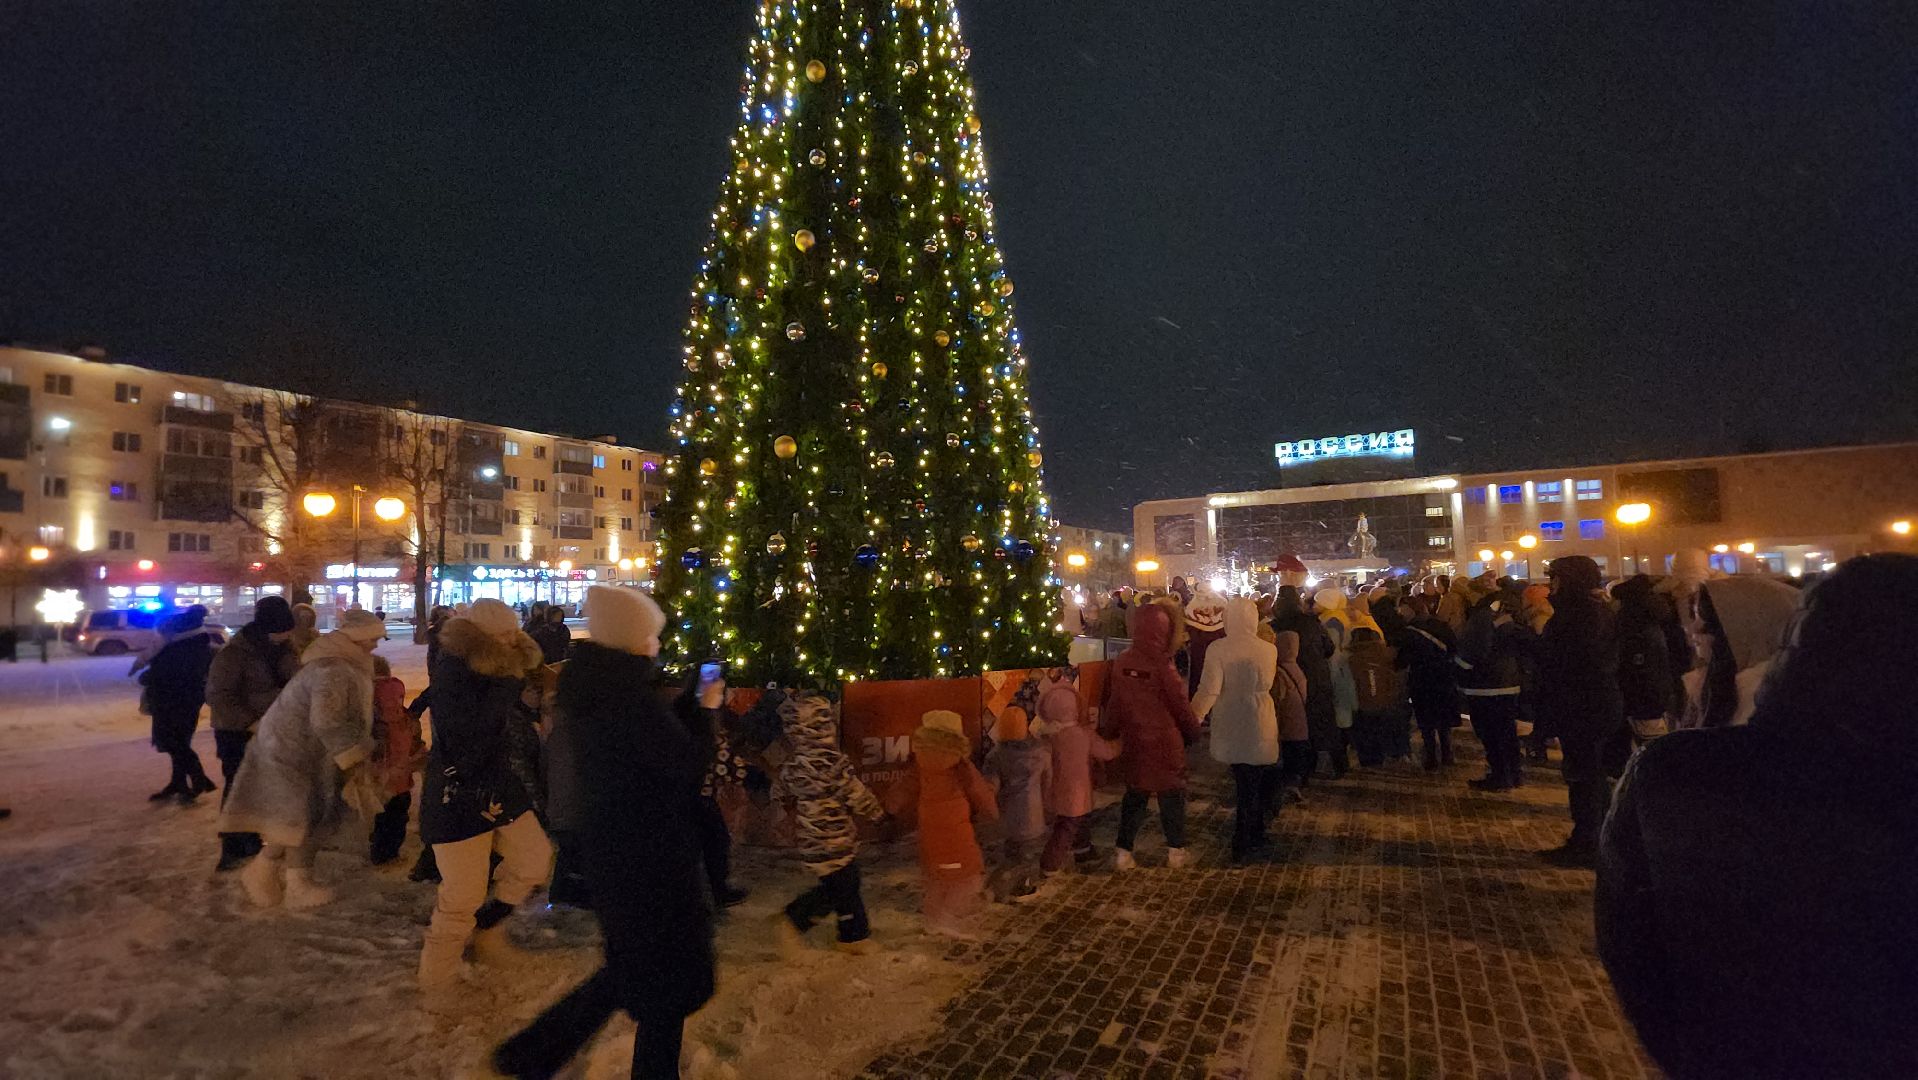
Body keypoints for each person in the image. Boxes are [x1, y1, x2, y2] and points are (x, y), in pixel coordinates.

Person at [1596, 554, 1918, 1078]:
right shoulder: (1689, 758)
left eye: (1704, 623)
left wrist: (1696, 1044)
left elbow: (1630, 942)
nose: (1694, 633)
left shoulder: (1683, 769)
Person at [492, 586, 711, 1080]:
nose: (656, 645)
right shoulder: (629, 700)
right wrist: (704, 715)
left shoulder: (598, 689)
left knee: (635, 972)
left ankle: (529, 1057)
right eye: (651, 636)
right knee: (657, 975)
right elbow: (683, 764)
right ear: (635, 641)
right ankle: (531, 1057)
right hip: (650, 860)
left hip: (622, 853)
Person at [415, 598, 552, 992]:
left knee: (534, 858)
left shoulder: (499, 670)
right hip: (458, 792)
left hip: (498, 783)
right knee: (462, 895)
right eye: (503, 636)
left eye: (515, 633)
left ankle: (488, 931)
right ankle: (436, 979)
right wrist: (507, 685)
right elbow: (467, 735)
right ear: (481, 638)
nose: (512, 641)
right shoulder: (455, 672)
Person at [221, 609, 389, 908]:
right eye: (373, 638)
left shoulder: (344, 664)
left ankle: (279, 877)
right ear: (358, 638)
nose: (376, 644)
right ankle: (283, 879)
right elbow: (328, 720)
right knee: (299, 817)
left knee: (301, 818)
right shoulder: (334, 669)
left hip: (306, 751)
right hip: (292, 753)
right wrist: (356, 754)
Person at [773, 690, 888, 956]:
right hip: (833, 838)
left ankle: (853, 934)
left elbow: (781, 790)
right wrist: (878, 815)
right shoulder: (831, 762)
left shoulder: (795, 764)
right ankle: (795, 919)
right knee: (840, 888)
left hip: (812, 840)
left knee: (844, 885)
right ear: (823, 726)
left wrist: (792, 808)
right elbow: (855, 792)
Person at [1533, 555, 1624, 868]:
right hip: (1587, 705)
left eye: (1554, 579)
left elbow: (1569, 664)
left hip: (1585, 708)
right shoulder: (1588, 612)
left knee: (1585, 778)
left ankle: (1589, 841)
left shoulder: (1579, 616)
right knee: (1588, 776)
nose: (1550, 586)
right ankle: (1592, 837)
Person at [1101, 600, 1203, 869]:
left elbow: (1115, 702)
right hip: (1165, 743)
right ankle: (1176, 852)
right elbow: (1180, 705)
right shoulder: (1164, 666)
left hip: (1135, 740)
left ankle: (1123, 852)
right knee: (1172, 798)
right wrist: (1193, 733)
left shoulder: (1122, 662)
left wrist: (1108, 731)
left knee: (1135, 796)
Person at [205, 596, 301, 869]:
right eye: (282, 629)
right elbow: (218, 695)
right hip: (236, 731)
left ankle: (252, 838)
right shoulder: (235, 653)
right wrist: (249, 722)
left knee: (262, 786)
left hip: (272, 727)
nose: (287, 634)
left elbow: (294, 678)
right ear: (266, 627)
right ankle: (233, 846)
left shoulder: (283, 648)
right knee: (238, 785)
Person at [886, 710, 997, 937]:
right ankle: (945, 918)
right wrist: (992, 811)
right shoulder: (961, 764)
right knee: (968, 874)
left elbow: (903, 788)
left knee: (937, 871)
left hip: (929, 822)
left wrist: (890, 806)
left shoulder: (919, 763)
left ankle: (932, 916)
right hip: (955, 825)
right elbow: (979, 791)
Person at [1190, 597, 1279, 864]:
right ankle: (1255, 832)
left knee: (1244, 782)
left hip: (1232, 717)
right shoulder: (1268, 649)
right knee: (1254, 779)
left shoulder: (1218, 648)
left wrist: (1194, 716)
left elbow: (1209, 689)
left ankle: (1243, 839)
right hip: (1260, 717)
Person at [673, 664, 752, 908]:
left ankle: (708, 890)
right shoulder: (697, 715)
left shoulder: (693, 711)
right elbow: (715, 753)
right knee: (712, 840)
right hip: (693, 792)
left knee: (706, 842)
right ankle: (713, 891)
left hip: (691, 791)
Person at [1687, 576, 1800, 729]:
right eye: (1694, 617)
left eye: (1704, 620)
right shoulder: (1718, 686)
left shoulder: (1763, 700)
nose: (1692, 629)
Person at [1037, 682, 1119, 873]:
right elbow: (1106, 752)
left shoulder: (1049, 737)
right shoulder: (1084, 734)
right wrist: (1121, 743)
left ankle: (1083, 851)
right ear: (1075, 708)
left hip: (1056, 790)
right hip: (1077, 793)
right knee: (1067, 828)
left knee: (1076, 821)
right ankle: (1049, 864)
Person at [142, 606, 219, 804]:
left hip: (173, 700)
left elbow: (171, 674)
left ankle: (198, 777)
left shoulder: (183, 648)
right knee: (179, 742)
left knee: (173, 742)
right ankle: (179, 783)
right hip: (183, 700)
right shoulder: (194, 645)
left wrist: (148, 677)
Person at [1455, 587, 1528, 792]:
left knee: (1491, 733)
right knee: (1507, 732)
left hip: (1484, 686)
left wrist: (1460, 670)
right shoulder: (1513, 619)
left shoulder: (1482, 618)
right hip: (1509, 683)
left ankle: (1499, 775)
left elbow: (1473, 651)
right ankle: (1513, 773)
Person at [1270, 586, 1337, 785]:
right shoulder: (1312, 622)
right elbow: (1329, 648)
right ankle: (1309, 768)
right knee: (1313, 722)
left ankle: (1291, 772)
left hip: (1286, 679)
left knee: (1291, 725)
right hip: (1315, 678)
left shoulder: (1275, 625)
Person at [983, 705, 1050, 900]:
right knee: (1026, 857)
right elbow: (1048, 782)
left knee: (1013, 851)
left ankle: (1014, 885)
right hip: (1034, 815)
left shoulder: (996, 757)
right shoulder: (1041, 751)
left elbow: (990, 787)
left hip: (1008, 817)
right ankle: (1016, 887)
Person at [1391, 598, 1461, 770]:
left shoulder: (1410, 632)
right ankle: (1447, 753)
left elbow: (1403, 659)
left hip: (1422, 679)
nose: (1400, 613)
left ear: (1411, 610)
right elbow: (1454, 648)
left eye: (1403, 609)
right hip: (1444, 676)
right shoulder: (1441, 625)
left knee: (1426, 719)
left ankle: (1430, 756)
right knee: (1443, 718)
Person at [368, 655, 425, 865]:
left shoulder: (367, 699)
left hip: (381, 772)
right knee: (398, 814)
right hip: (401, 773)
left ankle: (381, 853)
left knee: (381, 816)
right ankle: (389, 853)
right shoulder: (403, 716)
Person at [1613, 575, 1678, 744]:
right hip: (1655, 694)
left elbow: (1637, 666)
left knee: (1650, 745)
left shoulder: (1631, 624)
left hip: (1643, 697)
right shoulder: (1655, 621)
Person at [1346, 627, 1406, 768]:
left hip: (1363, 706)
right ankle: (1380, 759)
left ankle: (1368, 763)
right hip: (1385, 703)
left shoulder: (1353, 660)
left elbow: (1352, 686)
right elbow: (1394, 679)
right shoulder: (1386, 655)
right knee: (1380, 733)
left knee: (1366, 736)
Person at [1270, 630, 1313, 804]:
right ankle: (1295, 783)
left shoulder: (1279, 671)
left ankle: (1286, 787)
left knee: (1286, 757)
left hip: (1287, 723)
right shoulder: (1298, 668)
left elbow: (1278, 699)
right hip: (1300, 724)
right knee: (1296, 757)